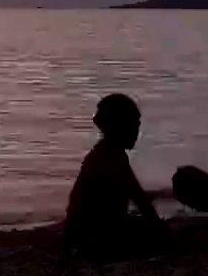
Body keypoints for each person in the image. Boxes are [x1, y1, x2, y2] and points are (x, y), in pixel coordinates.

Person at [64, 93, 164, 258]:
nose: (137, 133)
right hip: (96, 240)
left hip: (91, 235)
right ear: (119, 126)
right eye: (133, 126)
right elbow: (139, 199)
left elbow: (137, 196)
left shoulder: (109, 154)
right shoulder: (109, 158)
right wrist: (160, 229)